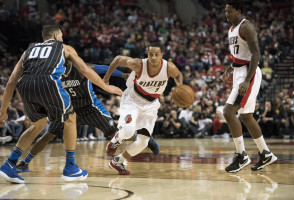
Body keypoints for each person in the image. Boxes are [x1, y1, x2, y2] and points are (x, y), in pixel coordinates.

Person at [0, 25, 122, 183]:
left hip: (25, 85)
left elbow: (11, 81)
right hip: (48, 82)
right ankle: (70, 168)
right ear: (57, 37)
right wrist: (106, 87)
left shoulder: (28, 51)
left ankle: (10, 164)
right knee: (70, 118)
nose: (62, 39)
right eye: (62, 37)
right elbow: (85, 69)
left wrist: (3, 111)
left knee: (38, 124)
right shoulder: (65, 48)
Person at [16, 63, 160, 173]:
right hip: (68, 109)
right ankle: (25, 163)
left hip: (90, 108)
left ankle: (143, 139)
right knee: (48, 135)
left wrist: (122, 75)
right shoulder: (55, 74)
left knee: (114, 134)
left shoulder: (82, 68)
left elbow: (103, 68)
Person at [104, 43, 183, 175]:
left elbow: (178, 75)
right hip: (133, 99)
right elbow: (118, 59)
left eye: (156, 54)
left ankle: (118, 161)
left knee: (143, 142)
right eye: (150, 54)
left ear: (162, 55)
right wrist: (106, 78)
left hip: (151, 104)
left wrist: (180, 86)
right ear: (147, 55)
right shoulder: (139, 64)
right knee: (128, 132)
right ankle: (116, 140)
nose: (153, 57)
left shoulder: (169, 67)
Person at [222, 0, 277, 173]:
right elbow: (240, 55)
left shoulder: (246, 26)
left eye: (230, 11)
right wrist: (230, 68)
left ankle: (242, 156)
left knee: (228, 111)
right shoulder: (232, 29)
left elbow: (256, 54)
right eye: (226, 11)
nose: (227, 14)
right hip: (240, 72)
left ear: (239, 11)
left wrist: (247, 80)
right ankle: (265, 154)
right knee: (246, 117)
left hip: (248, 74)